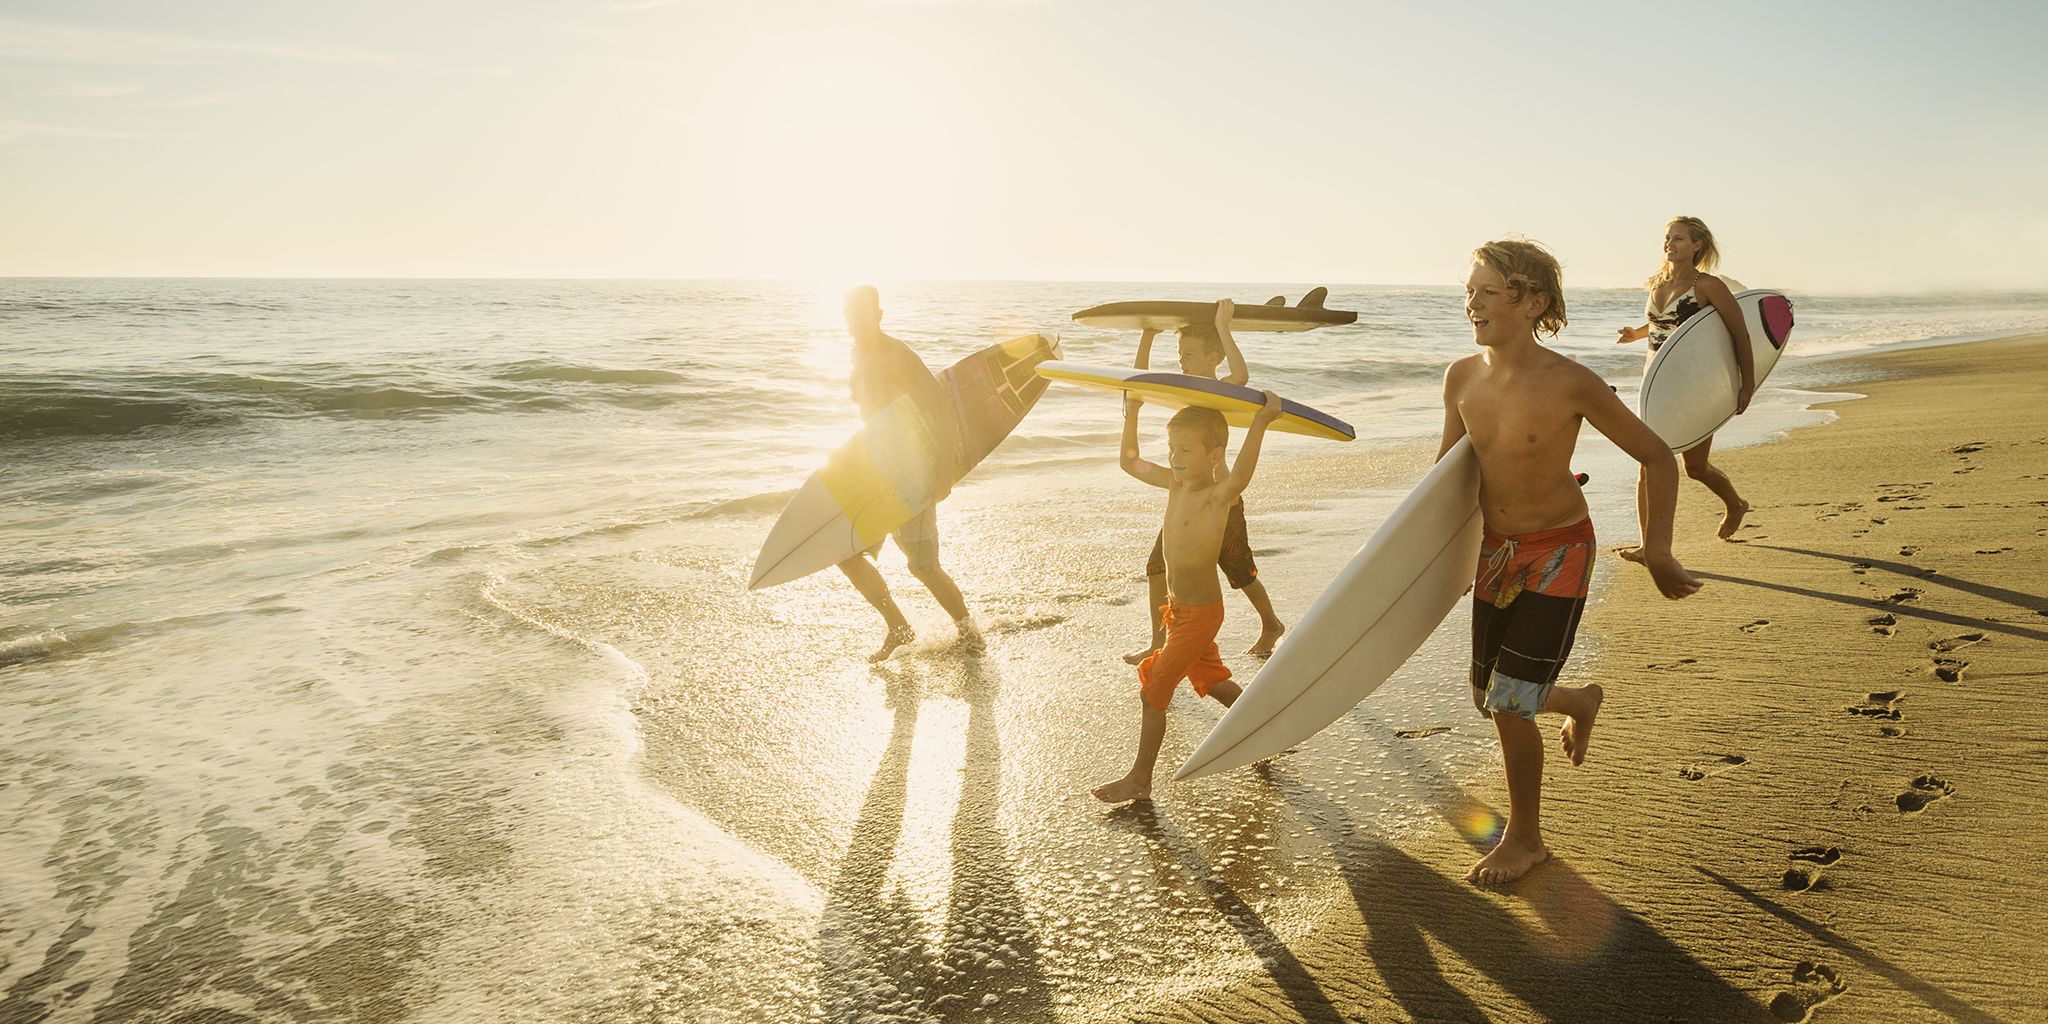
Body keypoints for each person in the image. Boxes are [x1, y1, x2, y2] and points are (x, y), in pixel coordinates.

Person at [1443, 238, 1701, 882]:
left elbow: (1656, 456)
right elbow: (1446, 481)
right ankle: (1579, 700)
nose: (1472, 302)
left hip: (1560, 550)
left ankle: (1526, 839)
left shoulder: (1570, 382)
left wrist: (1659, 547)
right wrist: (1426, 572)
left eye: (1487, 292)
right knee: (1488, 695)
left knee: (1507, 703)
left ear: (1534, 302)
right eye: (1468, 290)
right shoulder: (1461, 378)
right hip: (1497, 554)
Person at [1092, 391, 1284, 804]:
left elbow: (1242, 476)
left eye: (1184, 450)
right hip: (1177, 613)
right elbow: (1130, 462)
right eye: (1171, 448)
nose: (1174, 457)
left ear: (1214, 455)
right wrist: (1134, 410)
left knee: (1153, 692)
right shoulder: (1174, 484)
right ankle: (1266, 725)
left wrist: (1261, 423)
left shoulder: (1217, 497)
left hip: (1201, 614)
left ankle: (1140, 780)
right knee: (1212, 682)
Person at [1123, 298, 1288, 664]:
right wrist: (1148, 335)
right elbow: (1140, 386)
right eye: (1180, 355)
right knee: (1157, 567)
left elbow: (1242, 375)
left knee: (1239, 570)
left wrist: (1223, 325)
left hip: (1220, 498)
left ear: (1213, 358)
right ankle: (1160, 641)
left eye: (1191, 355)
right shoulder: (1184, 392)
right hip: (1186, 494)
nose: (1183, 362)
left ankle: (1271, 623)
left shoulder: (1221, 389)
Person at [834, 285, 981, 662]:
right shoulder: (856, 354)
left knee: (923, 566)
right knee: (846, 554)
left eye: (862, 316)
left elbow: (943, 410)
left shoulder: (898, 355)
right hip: (875, 475)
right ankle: (898, 627)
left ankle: (969, 631)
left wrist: (944, 473)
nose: (856, 324)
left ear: (879, 315)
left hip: (912, 476)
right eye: (850, 317)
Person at [1614, 215, 1756, 552]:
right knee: (1648, 466)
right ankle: (1650, 547)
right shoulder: (1657, 285)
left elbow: (1739, 333)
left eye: (1679, 238)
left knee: (1695, 468)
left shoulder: (1708, 286)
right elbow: (1667, 323)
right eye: (1667, 238)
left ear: (1697, 245)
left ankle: (1735, 504)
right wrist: (1637, 333)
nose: (1670, 244)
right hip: (1654, 385)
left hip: (1693, 387)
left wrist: (1746, 384)